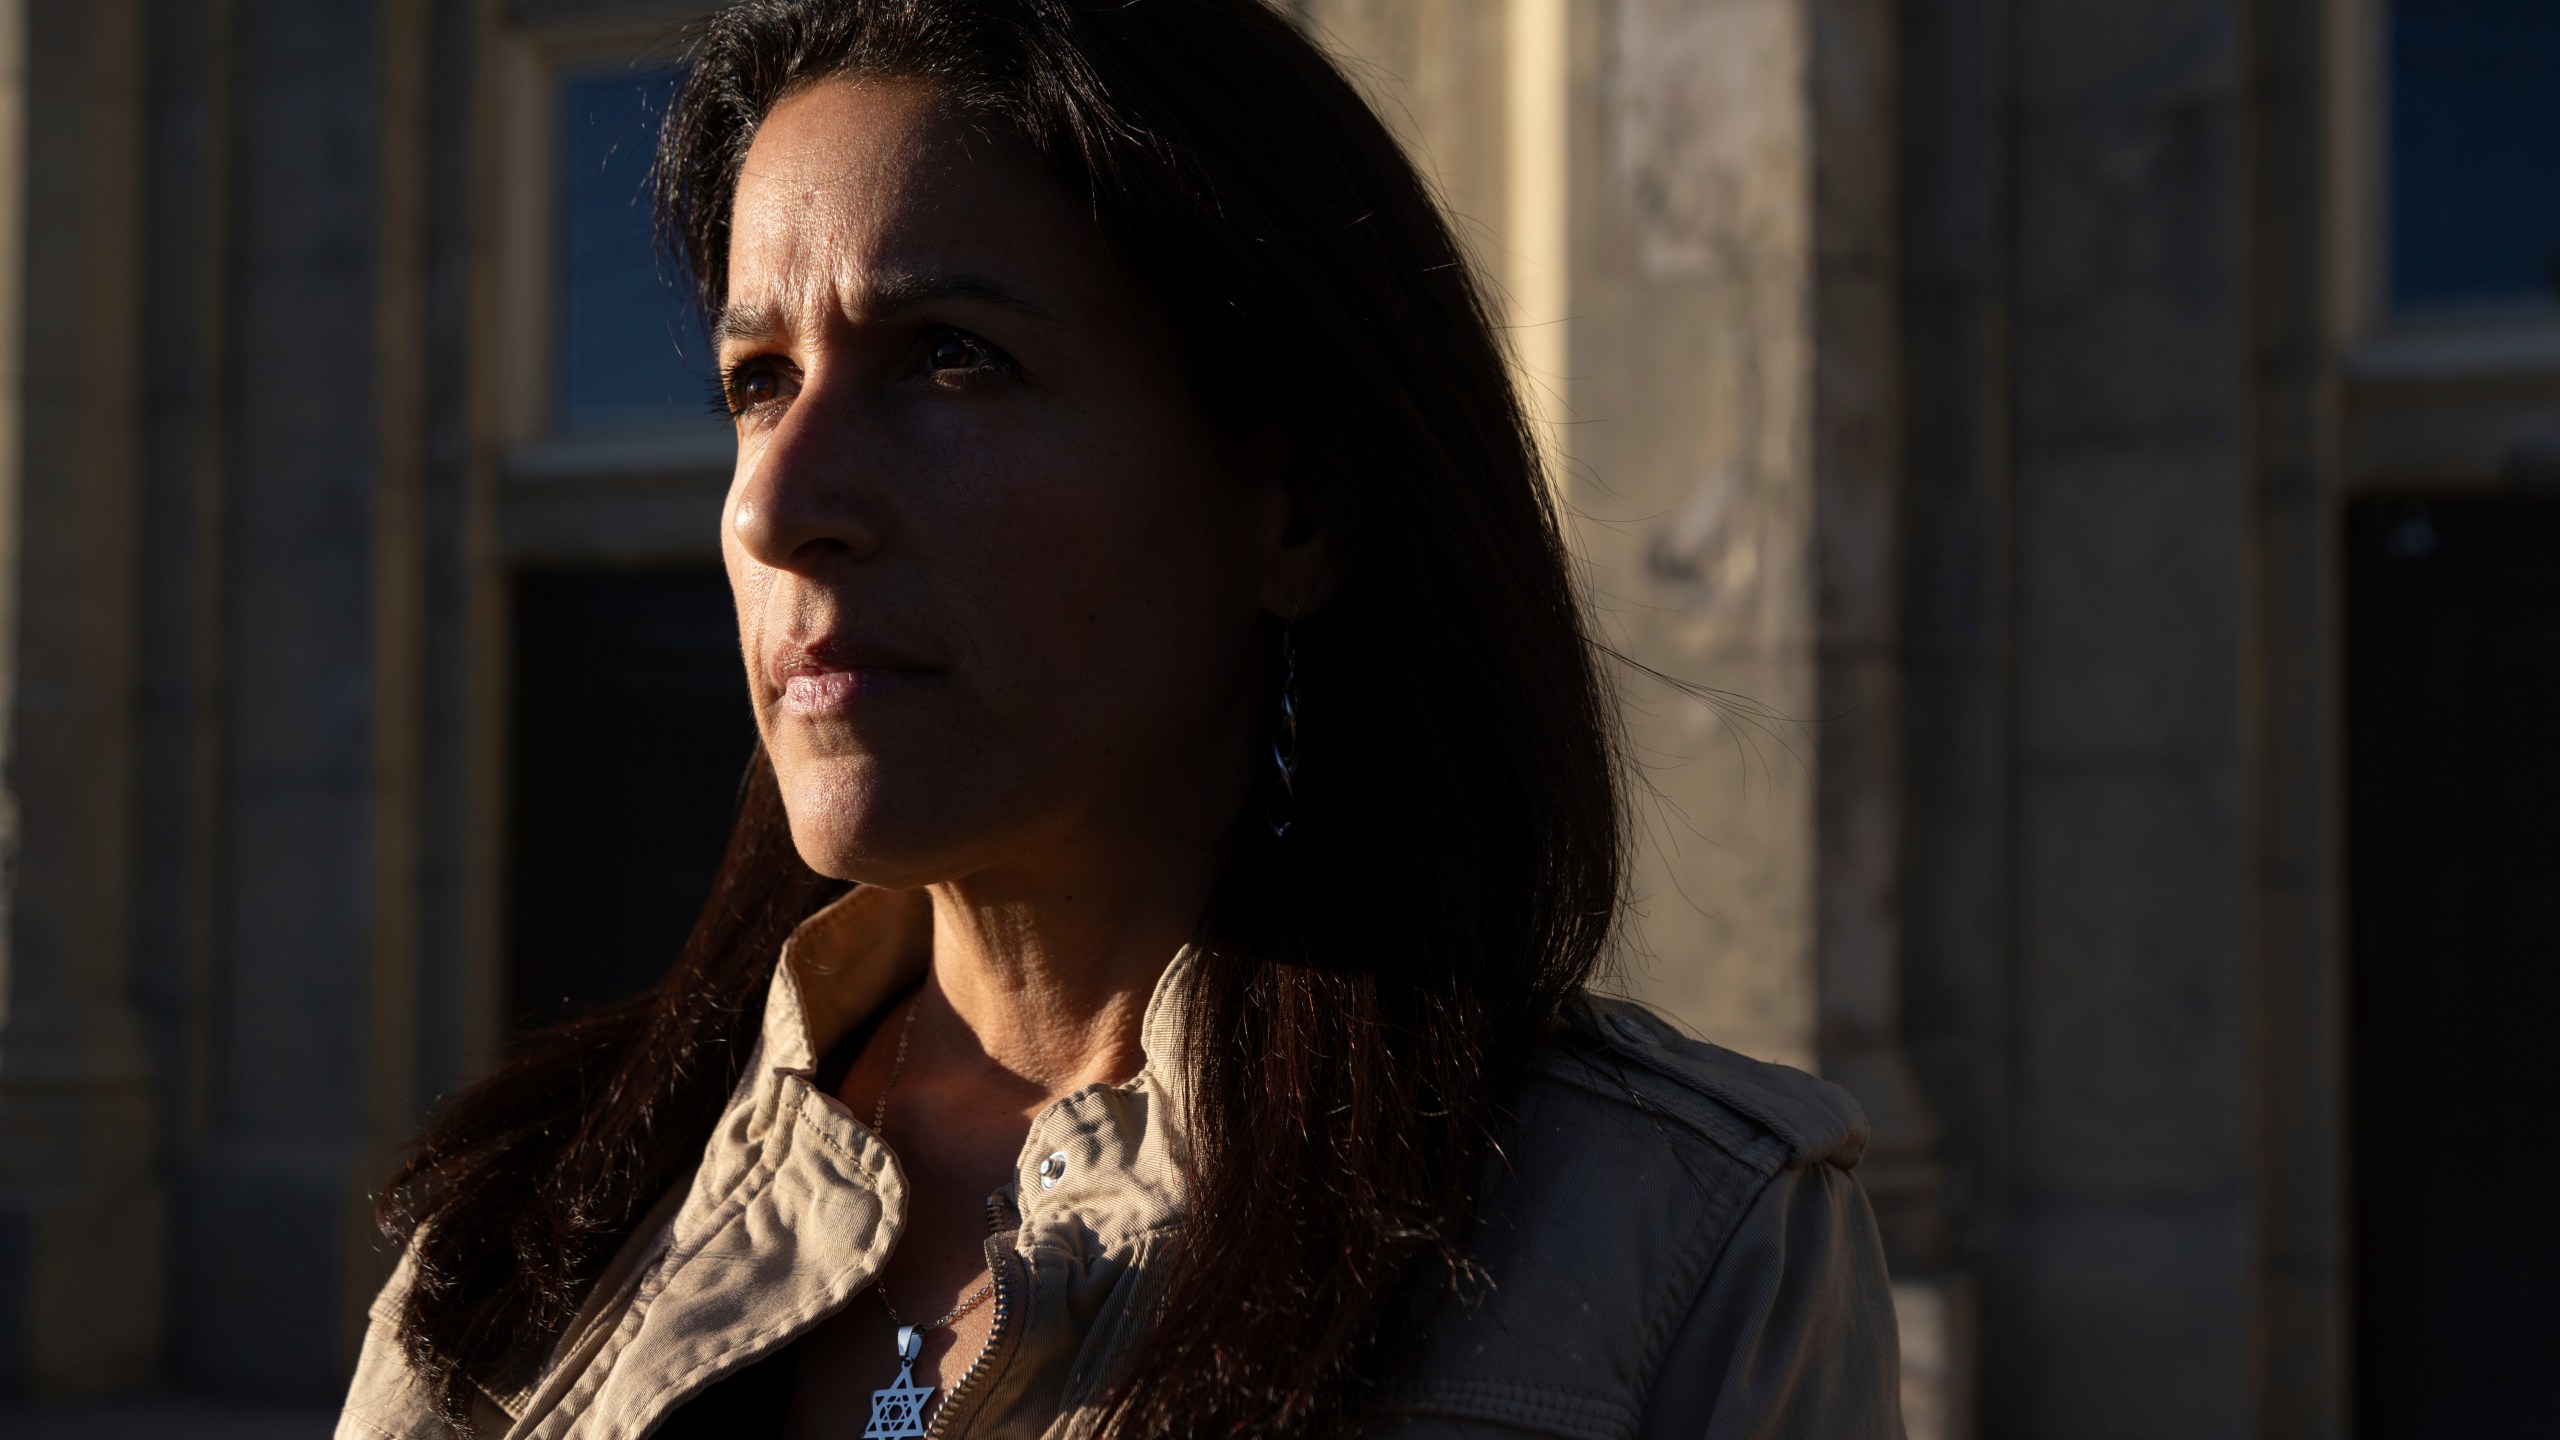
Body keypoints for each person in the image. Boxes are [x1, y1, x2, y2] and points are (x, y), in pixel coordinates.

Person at [340, 1, 1903, 1436]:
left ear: (1291, 506)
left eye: (952, 361)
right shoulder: (521, 1232)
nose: (779, 500)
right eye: (757, 379)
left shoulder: (1677, 1246)